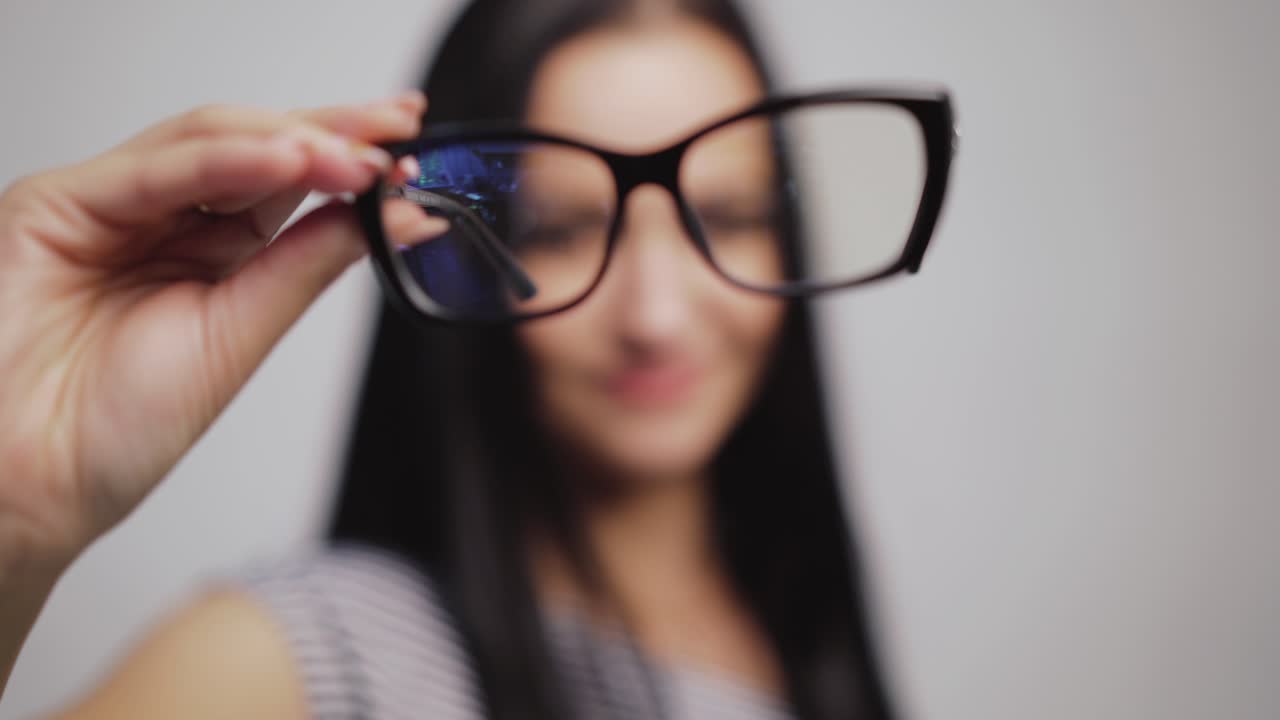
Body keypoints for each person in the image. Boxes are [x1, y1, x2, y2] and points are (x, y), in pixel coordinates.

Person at [0, 0, 905, 718]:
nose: (658, 316)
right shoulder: (313, 657)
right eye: (557, 229)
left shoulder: (807, 637)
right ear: (449, 255)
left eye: (730, 217)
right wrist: (17, 520)